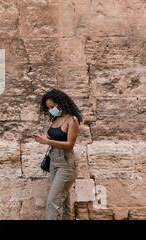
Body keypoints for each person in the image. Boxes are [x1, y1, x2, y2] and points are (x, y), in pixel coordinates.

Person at [33, 88, 83, 220]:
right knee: (64, 202)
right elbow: (51, 137)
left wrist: (47, 141)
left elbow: (70, 144)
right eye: (48, 107)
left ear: (61, 103)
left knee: (52, 202)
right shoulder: (55, 119)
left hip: (66, 163)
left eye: (52, 106)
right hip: (54, 161)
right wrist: (42, 138)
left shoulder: (72, 120)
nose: (50, 110)